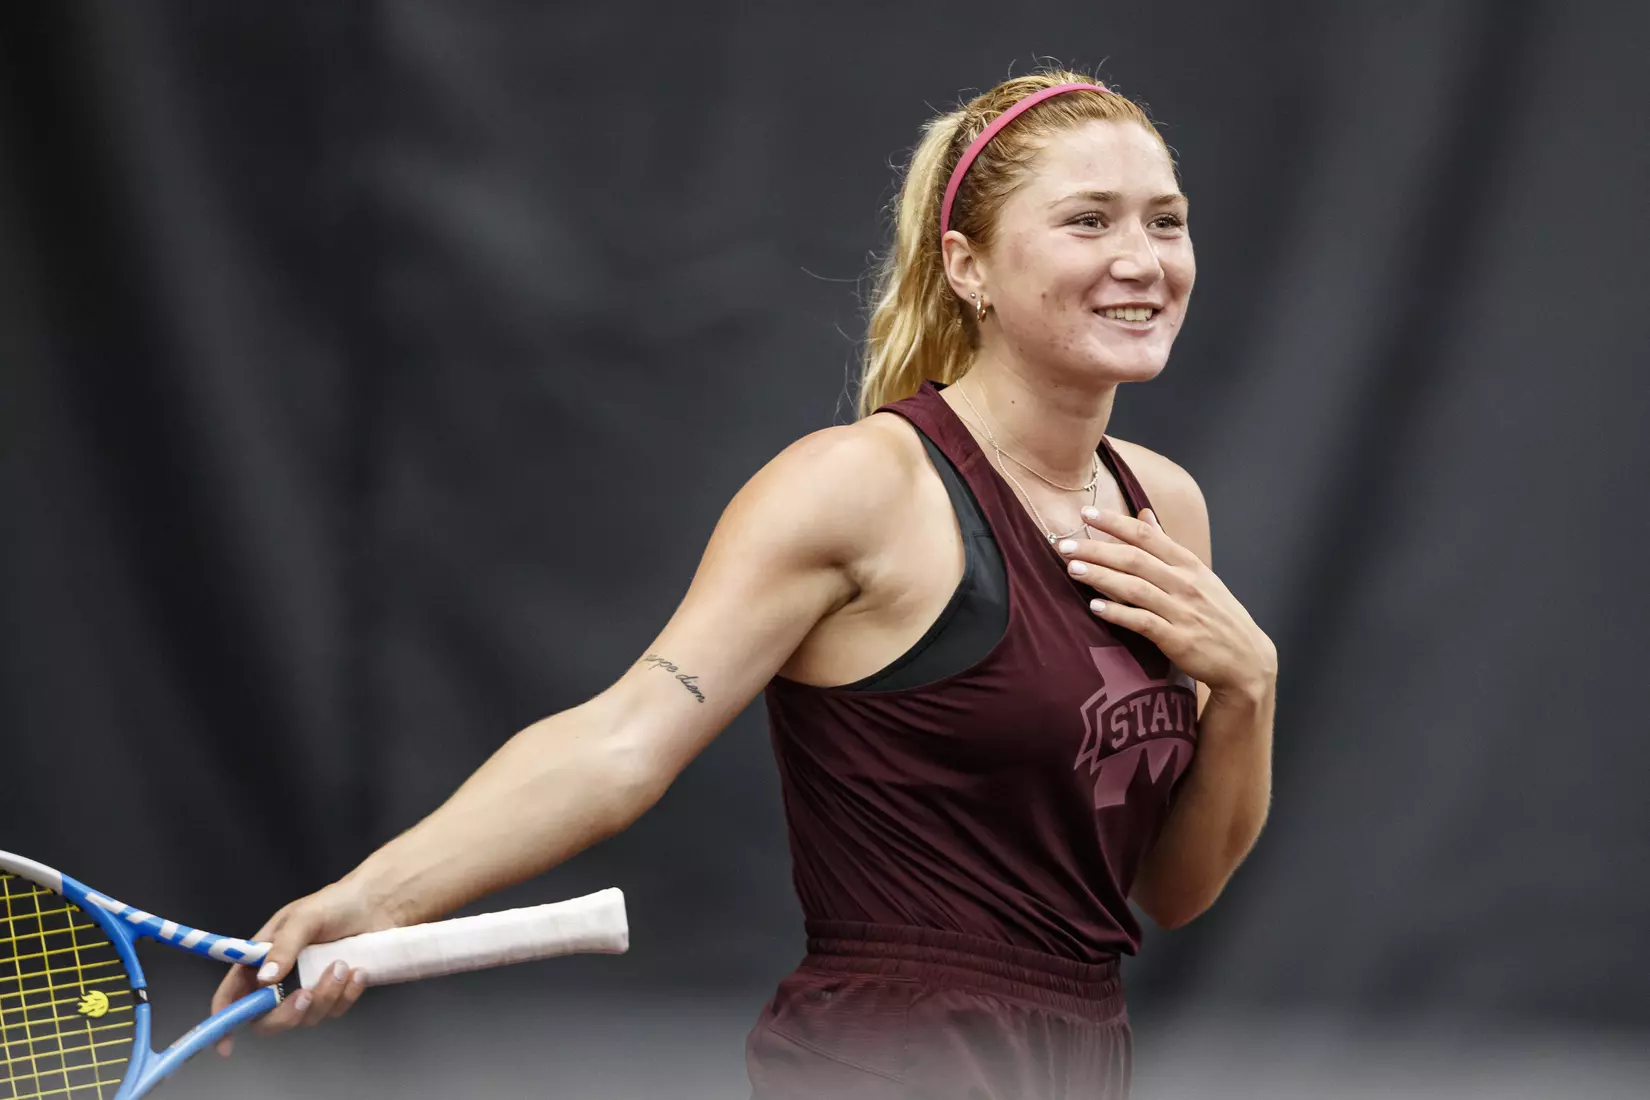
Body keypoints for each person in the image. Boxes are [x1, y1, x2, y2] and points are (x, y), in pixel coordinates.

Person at [211, 68, 1277, 1098]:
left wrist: (1247, 689)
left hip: (1086, 1054)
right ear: (969, 265)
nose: (1142, 258)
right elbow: (622, 740)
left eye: (1165, 220)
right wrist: (373, 898)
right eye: (1089, 221)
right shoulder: (859, 486)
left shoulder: (1162, 510)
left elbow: (1167, 891)